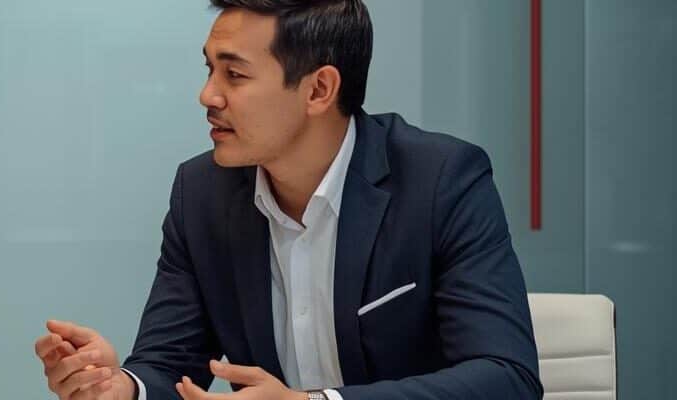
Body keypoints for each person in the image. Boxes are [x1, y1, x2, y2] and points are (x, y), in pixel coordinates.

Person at [34, 1, 541, 399]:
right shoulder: (202, 193)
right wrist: (120, 387)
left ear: (319, 89)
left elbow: (506, 378)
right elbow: (169, 365)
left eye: (234, 75)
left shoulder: (439, 181)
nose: (208, 95)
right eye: (210, 70)